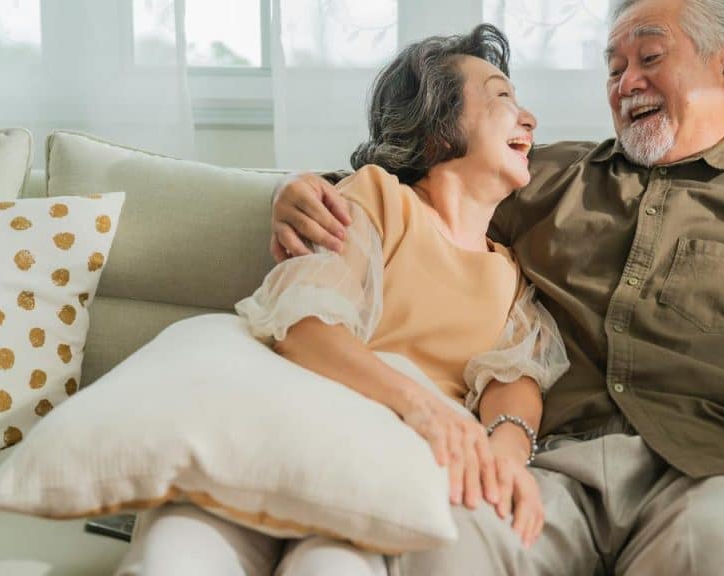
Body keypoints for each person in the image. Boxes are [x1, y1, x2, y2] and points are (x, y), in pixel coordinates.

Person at [272, 0, 724, 574]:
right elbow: (421, 184)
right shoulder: (552, 176)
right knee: (442, 546)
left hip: (708, 479)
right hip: (547, 466)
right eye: (613, 67)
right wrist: (300, 193)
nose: (625, 82)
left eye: (649, 57)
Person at [115, 25, 568, 576]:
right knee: (176, 555)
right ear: (438, 131)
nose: (529, 118)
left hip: (380, 479)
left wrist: (505, 459)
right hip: (280, 439)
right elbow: (304, 326)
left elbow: (514, 382)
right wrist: (422, 408)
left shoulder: (508, 270)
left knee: (330, 566)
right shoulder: (375, 197)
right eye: (501, 97)